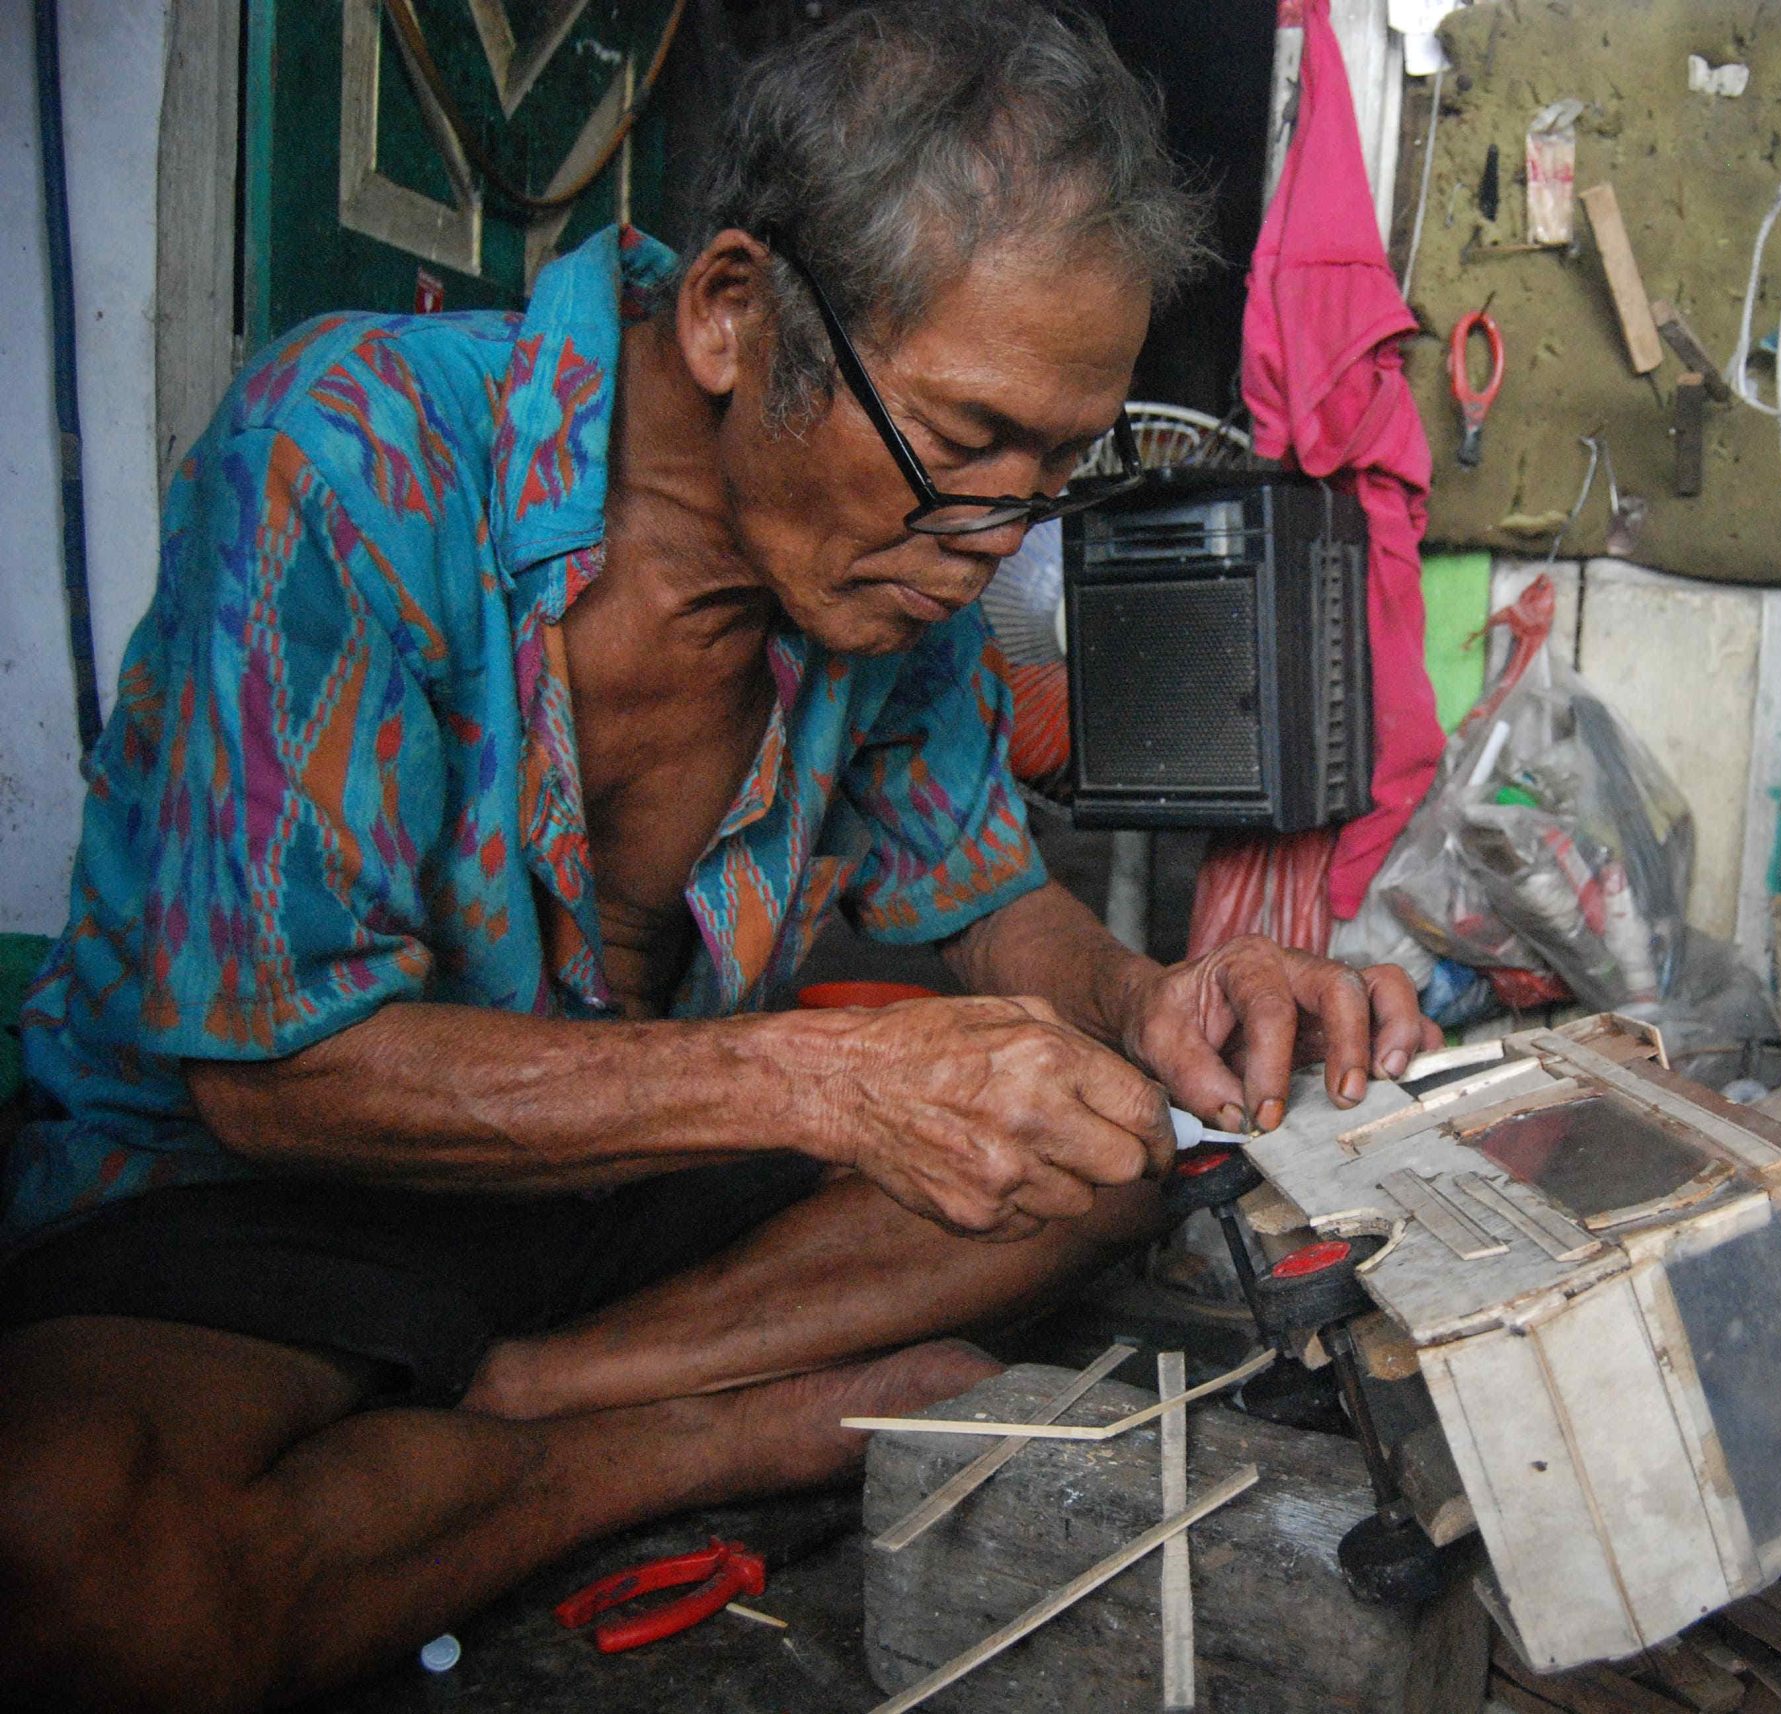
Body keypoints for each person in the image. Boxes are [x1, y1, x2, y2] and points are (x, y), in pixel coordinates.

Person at [0, 7, 1432, 1707]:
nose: (991, 550)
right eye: (966, 442)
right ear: (735, 315)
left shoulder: (894, 585)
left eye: (1055, 470)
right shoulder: (350, 453)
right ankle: (680, 1437)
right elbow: (273, 1076)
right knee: (79, 1572)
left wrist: (1147, 989)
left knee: (1111, 1148)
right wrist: (826, 1081)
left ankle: (533, 1394)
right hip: (268, 1201)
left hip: (615, 1202)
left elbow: (979, 904)